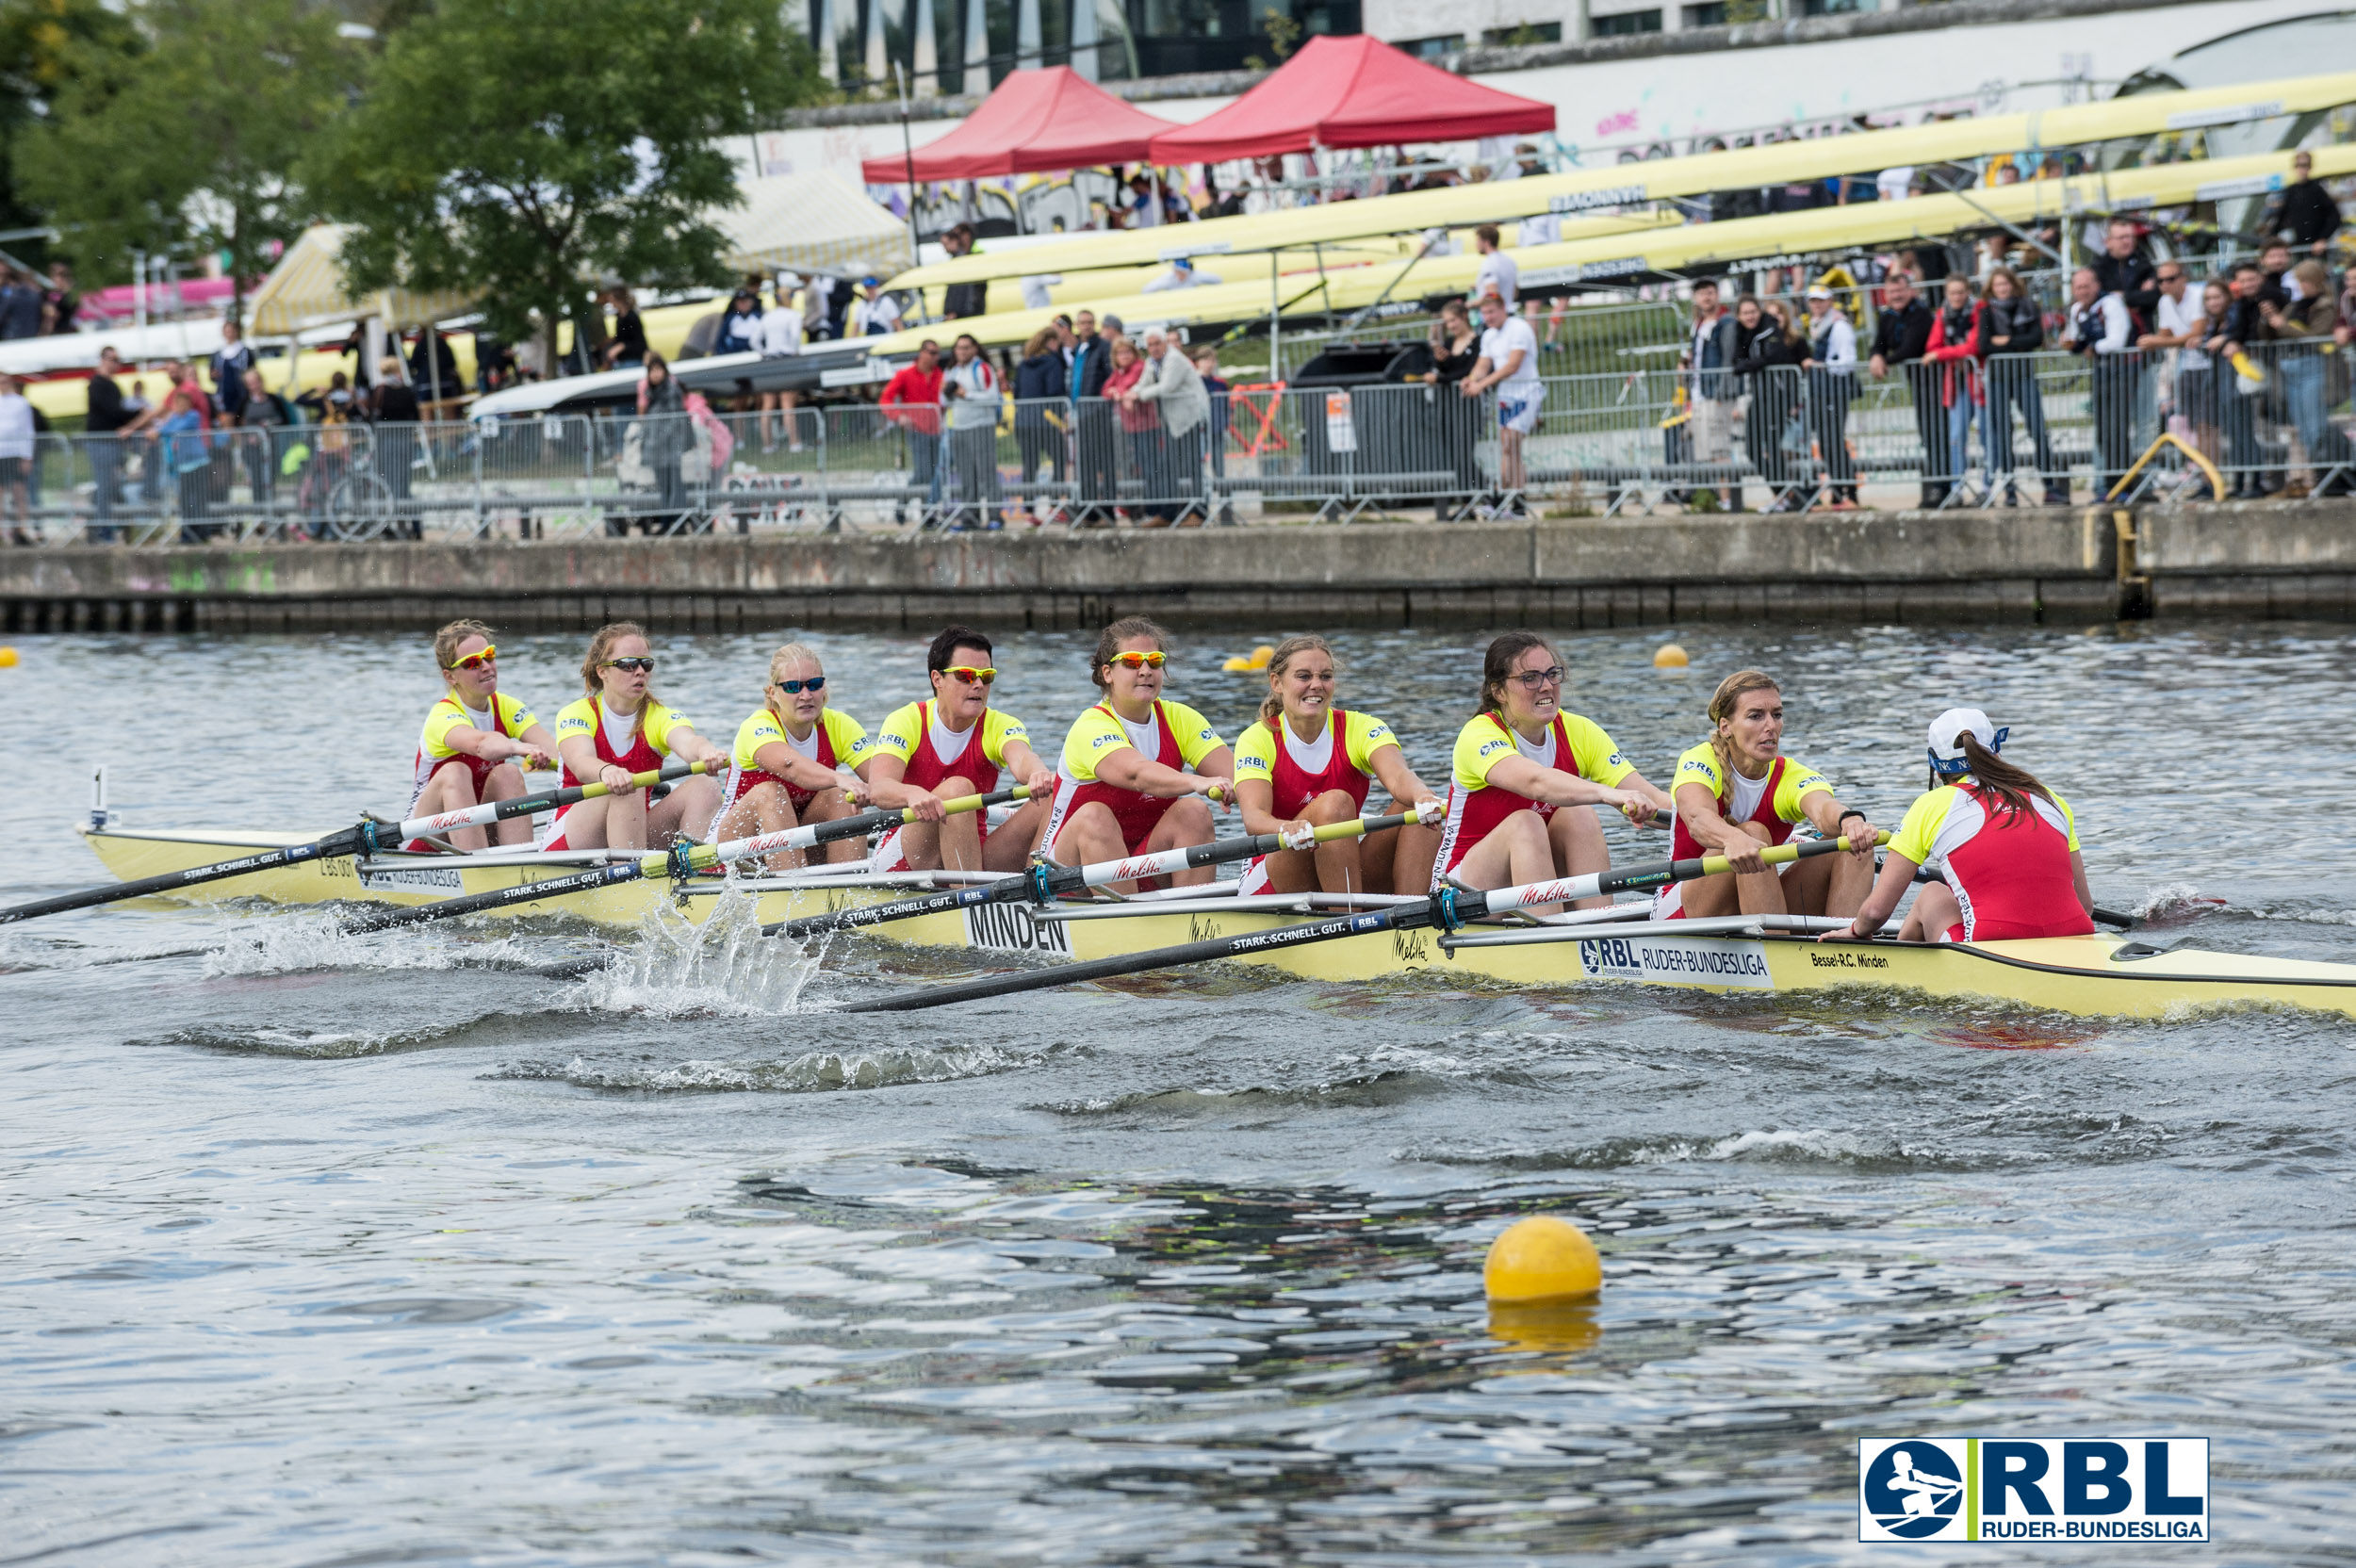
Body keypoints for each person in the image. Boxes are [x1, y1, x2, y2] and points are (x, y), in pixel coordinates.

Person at [1432, 631, 1666, 913]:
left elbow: (1653, 800)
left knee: (1578, 814)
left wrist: (1717, 820)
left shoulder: (1579, 730)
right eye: (1529, 678)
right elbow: (1536, 782)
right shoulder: (1478, 735)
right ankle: (1553, 942)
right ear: (1498, 691)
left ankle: (1601, 932)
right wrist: (1609, 795)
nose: (1546, 687)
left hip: (1532, 884)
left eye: (1552, 674)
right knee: (1526, 824)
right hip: (1460, 892)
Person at [1826, 708, 2092, 946]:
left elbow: (1875, 913)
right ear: (1996, 750)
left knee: (1932, 892)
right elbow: (2085, 905)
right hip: (2076, 936)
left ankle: (1899, 971)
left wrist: (1856, 930)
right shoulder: (2049, 797)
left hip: (1990, 944)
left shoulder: (1932, 804)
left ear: (1935, 764)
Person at [1232, 635, 1443, 898]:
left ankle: (1413, 916)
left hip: (1339, 866)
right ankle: (1348, 919)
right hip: (1275, 873)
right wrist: (1285, 828)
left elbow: (1399, 777)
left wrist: (1423, 795)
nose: (1316, 685)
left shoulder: (1361, 727)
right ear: (1277, 683)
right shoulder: (1257, 738)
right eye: (1303, 676)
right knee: (1335, 804)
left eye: (1325, 676)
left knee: (1415, 807)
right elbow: (1254, 818)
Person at [1661, 668, 1878, 922]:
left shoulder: (1789, 773)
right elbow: (1698, 818)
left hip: (1758, 900)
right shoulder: (1699, 760)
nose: (1771, 726)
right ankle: (1778, 951)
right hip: (1683, 906)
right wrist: (1733, 839)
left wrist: (1850, 821)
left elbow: (1822, 808)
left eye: (1777, 715)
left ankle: (1846, 947)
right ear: (1725, 727)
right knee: (1752, 832)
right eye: (1755, 716)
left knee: (1849, 841)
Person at [1038, 616, 1234, 893]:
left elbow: (1241, 778)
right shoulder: (1091, 726)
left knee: (1194, 811)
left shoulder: (1181, 718)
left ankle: (1195, 918)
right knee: (1096, 816)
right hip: (1063, 875)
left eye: (1154, 661)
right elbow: (1136, 773)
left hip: (1136, 863)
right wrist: (1196, 782)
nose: (1145, 670)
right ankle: (1130, 922)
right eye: (1131, 661)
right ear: (1108, 673)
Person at [867, 625, 1055, 874]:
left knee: (1054, 794)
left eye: (986, 676)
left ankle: (1037, 886)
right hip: (907, 857)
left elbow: (1021, 758)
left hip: (971, 854)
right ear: (938, 679)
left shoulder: (1000, 724)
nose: (978, 684)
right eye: (966, 676)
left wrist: (1038, 774)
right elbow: (879, 789)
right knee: (957, 788)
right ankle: (969, 898)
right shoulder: (907, 720)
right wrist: (913, 795)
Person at [545, 623, 727, 853]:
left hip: (631, 830)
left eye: (646, 664)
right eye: (628, 665)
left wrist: (706, 752)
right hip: (572, 837)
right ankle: (633, 882)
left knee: (706, 786)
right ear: (603, 671)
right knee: (629, 787)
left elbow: (689, 742)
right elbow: (581, 762)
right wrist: (607, 772)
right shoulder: (577, 713)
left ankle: (697, 873)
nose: (640, 671)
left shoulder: (659, 716)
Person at [705, 642, 881, 871]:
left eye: (814, 685)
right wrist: (842, 779)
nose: (805, 695)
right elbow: (790, 766)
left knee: (839, 797)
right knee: (771, 794)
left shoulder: (840, 725)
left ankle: (851, 892)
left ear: (824, 688)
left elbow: (884, 780)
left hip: (794, 850)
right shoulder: (757, 726)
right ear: (772, 693)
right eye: (792, 687)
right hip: (733, 857)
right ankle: (794, 892)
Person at [405, 619, 559, 851]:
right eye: (473, 663)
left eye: (489, 655)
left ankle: (519, 865)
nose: (486, 666)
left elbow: (557, 751)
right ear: (450, 677)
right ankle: (479, 868)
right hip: (427, 836)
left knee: (507, 772)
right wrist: (520, 748)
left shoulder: (507, 706)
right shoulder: (443, 715)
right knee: (455, 772)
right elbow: (481, 745)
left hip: (478, 828)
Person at [1975, 267, 2067, 507]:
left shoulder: (2028, 306)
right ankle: (2010, 490)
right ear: (1991, 289)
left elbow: (2036, 339)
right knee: (2003, 434)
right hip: (1998, 379)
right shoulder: (1987, 312)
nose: (2002, 289)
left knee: (2038, 429)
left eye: (2005, 284)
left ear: (2013, 285)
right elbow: (1984, 345)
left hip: (2024, 376)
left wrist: (2007, 341)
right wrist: (2017, 345)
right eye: (1998, 286)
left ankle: (2049, 486)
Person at [2259, 258, 2349, 497]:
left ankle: (2332, 479)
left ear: (2314, 281)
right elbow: (2274, 335)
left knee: (2315, 427)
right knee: (2303, 429)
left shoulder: (2326, 305)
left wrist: (2283, 325)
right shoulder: (2295, 305)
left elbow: (2314, 335)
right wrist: (2268, 320)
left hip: (2313, 367)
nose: (2300, 286)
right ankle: (2320, 478)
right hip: (2291, 368)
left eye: (2303, 281)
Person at [2063, 264, 2138, 501]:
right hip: (2101, 373)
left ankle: (2126, 486)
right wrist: (2069, 344)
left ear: (2096, 286)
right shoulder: (2077, 309)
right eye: (2078, 287)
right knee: (2104, 433)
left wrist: (2092, 348)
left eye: (2087, 285)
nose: (2083, 291)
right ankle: (2110, 485)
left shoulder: (2111, 305)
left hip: (2122, 371)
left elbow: (2117, 339)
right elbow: (2076, 341)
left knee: (2118, 430)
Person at [1868, 271, 1943, 507]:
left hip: (1937, 381)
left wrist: (1883, 360)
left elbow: (1911, 348)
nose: (1896, 296)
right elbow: (1878, 343)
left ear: (1910, 291)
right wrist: (1876, 356)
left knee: (1938, 433)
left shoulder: (1920, 313)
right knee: (1927, 434)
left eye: (1900, 291)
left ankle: (1944, 486)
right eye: (1891, 292)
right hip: (1918, 383)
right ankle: (1937, 486)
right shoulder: (1887, 316)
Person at [1463, 291, 1541, 516]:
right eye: (1484, 313)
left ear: (1502, 309)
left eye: (1491, 312)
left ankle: (1501, 498)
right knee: (1510, 449)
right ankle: (1516, 503)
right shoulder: (1489, 336)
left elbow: (1512, 366)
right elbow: (1483, 364)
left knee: (1509, 445)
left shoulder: (1518, 328)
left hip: (1526, 393)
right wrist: (1471, 379)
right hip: (1506, 397)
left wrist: (1482, 384)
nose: (1487, 317)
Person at [2141, 262, 2213, 497]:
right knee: (2195, 426)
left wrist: (2156, 341)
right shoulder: (2164, 302)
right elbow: (2166, 334)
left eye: (2170, 279)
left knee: (2207, 427)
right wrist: (2152, 340)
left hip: (2208, 365)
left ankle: (2210, 481)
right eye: (2161, 281)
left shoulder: (2197, 295)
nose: (2165, 285)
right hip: (2186, 367)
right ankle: (2203, 479)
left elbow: (2196, 332)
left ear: (2184, 278)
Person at [1126, 327, 1208, 526]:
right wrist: (1130, 393)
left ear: (1164, 343)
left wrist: (1138, 395)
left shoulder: (1175, 359)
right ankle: (1167, 514)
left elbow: (1166, 386)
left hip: (1190, 420)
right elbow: (1143, 383)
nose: (1153, 348)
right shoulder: (1151, 362)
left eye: (1157, 344)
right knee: (1168, 467)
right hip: (1173, 424)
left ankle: (1198, 513)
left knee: (1191, 468)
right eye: (1150, 345)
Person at [2206, 262, 2273, 498]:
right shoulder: (2216, 321)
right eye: (2209, 298)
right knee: (2234, 433)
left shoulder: (2237, 310)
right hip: (2224, 380)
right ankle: (2240, 480)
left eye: (2217, 297)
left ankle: (2253, 481)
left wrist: (2227, 340)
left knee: (2244, 431)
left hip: (2239, 376)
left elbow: (2244, 333)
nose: (2213, 302)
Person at [1732, 297, 1804, 511]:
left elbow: (1772, 356)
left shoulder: (1771, 328)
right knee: (1751, 449)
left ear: (1759, 311)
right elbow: (1736, 362)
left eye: (1753, 311)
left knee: (1773, 447)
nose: (1750, 316)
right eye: (1745, 313)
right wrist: (1750, 365)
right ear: (1739, 316)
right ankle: (1783, 494)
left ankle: (1790, 497)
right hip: (1758, 397)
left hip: (1776, 397)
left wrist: (1749, 365)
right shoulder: (1741, 332)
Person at [1923, 274, 1988, 505]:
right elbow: (1932, 344)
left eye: (1961, 292)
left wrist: (1943, 354)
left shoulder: (1980, 310)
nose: (1957, 297)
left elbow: (1974, 346)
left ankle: (1986, 487)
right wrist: (1952, 353)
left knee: (1986, 436)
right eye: (1953, 293)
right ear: (1946, 294)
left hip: (1979, 383)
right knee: (1956, 437)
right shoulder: (1943, 313)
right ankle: (1956, 489)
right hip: (1957, 383)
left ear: (1968, 292)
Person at [1801, 286, 1860, 509]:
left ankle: (1850, 493)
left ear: (1830, 301)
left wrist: (1820, 365)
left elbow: (1848, 361)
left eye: (1821, 301)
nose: (1817, 305)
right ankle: (1837, 493)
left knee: (1834, 442)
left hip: (1835, 391)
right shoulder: (1818, 325)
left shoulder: (1839, 326)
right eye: (1813, 301)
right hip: (1822, 391)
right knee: (1827, 444)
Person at [1684, 279, 1741, 511]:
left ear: (1717, 295)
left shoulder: (1725, 322)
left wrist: (1721, 391)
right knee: (1705, 450)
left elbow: (1728, 358)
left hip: (1715, 394)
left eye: (1710, 293)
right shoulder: (1697, 324)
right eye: (1702, 294)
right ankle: (1716, 498)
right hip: (1699, 393)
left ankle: (1728, 499)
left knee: (1719, 449)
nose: (1706, 297)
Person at [939, 333, 1004, 530]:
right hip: (959, 427)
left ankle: (995, 516)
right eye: (959, 348)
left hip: (981, 426)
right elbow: (943, 401)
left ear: (974, 349)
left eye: (966, 347)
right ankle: (970, 517)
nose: (962, 351)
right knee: (966, 475)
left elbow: (993, 397)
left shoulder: (983, 368)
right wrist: (948, 393)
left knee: (986, 473)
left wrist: (966, 394)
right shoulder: (952, 371)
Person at [1425, 298, 1483, 516]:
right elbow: (1447, 369)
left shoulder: (1477, 342)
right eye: (1447, 322)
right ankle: (1468, 502)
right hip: (1448, 405)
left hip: (1467, 405)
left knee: (1464, 455)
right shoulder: (1449, 343)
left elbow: (1468, 371)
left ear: (1463, 317)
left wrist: (1440, 378)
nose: (1450, 326)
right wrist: (1440, 363)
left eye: (1453, 320)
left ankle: (1488, 494)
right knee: (1455, 457)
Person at [878, 341, 944, 525]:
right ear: (922, 353)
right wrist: (899, 416)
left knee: (933, 474)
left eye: (937, 353)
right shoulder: (906, 374)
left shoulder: (941, 375)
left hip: (937, 432)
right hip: (917, 431)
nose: (935, 357)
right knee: (924, 473)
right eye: (931, 352)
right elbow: (885, 399)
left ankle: (924, 513)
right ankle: (909, 505)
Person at [1012, 326, 1066, 522]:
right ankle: (1053, 505)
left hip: (1023, 421)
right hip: (1045, 420)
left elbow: (1017, 393)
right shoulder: (1053, 362)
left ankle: (1028, 511)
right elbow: (1055, 391)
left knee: (1030, 465)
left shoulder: (1024, 364)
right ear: (1051, 342)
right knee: (1060, 459)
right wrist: (1063, 417)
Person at [1069, 309, 1117, 521]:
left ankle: (1107, 511)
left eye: (1089, 323)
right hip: (1081, 412)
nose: (1086, 326)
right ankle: (1088, 510)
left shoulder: (1103, 347)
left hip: (1097, 412)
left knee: (1103, 463)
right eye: (1082, 323)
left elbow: (1109, 377)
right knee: (1085, 463)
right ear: (1077, 326)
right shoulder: (1079, 349)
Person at [83, 347, 129, 542]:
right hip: (101, 442)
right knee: (105, 485)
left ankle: (103, 526)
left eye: (118, 360)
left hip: (109, 442)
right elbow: (112, 412)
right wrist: (139, 415)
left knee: (111, 486)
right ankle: (102, 529)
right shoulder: (98, 384)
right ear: (103, 359)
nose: (115, 363)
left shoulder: (111, 385)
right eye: (112, 359)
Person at [2266, 149, 2343, 258]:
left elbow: (2334, 216)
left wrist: (2322, 239)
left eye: (2305, 165)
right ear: (2295, 167)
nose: (2302, 169)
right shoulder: (2291, 191)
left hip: (2317, 248)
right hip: (2299, 247)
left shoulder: (2317, 189)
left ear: (2310, 167)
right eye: (2299, 165)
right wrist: (2271, 239)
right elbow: (2281, 217)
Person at [756, 289, 805, 451]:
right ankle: (794, 443)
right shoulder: (793, 315)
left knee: (768, 404)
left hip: (769, 361)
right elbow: (796, 337)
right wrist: (794, 351)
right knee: (787, 402)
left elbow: (754, 340)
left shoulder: (767, 317)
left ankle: (767, 445)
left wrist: (765, 353)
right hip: (785, 360)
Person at [0, 373, 32, 545]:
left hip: (15, 453)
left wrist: (27, 455)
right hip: (1, 453)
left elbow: (27, 429)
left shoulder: (20, 403)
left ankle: (21, 530)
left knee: (19, 493)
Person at [209, 319, 254, 426]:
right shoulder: (218, 354)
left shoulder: (245, 352)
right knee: (227, 420)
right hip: (224, 395)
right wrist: (214, 375)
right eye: (227, 331)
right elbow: (212, 376)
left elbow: (251, 371)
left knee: (242, 419)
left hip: (242, 393)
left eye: (232, 331)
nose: (230, 334)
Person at [941, 223, 989, 319]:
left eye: (958, 236)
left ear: (967, 235)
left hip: (969, 309)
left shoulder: (972, 256)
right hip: (969, 308)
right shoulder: (962, 257)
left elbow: (960, 289)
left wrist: (953, 310)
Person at [1471, 224, 1518, 310]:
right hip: (1509, 310)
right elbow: (1515, 292)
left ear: (1487, 242)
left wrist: (1471, 304)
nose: (1476, 244)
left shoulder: (1488, 263)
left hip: (1496, 316)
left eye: (1478, 240)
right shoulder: (1510, 261)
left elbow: (1492, 295)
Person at [601, 288, 648, 369]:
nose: (610, 303)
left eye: (611, 300)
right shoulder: (620, 317)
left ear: (619, 300)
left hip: (634, 358)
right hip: (623, 359)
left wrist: (621, 346)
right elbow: (624, 337)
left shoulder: (631, 317)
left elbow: (637, 340)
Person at [715, 290, 763, 357]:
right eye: (740, 302)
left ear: (751, 302)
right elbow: (722, 338)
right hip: (735, 350)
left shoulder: (758, 316)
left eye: (745, 301)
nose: (743, 304)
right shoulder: (731, 317)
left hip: (755, 350)